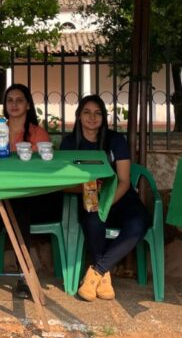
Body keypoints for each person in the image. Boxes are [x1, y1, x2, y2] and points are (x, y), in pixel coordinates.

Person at [61, 94, 149, 302]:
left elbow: (124, 181)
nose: (92, 118)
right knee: (93, 220)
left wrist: (106, 204)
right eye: (87, 112)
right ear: (79, 116)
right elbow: (63, 184)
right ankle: (104, 275)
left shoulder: (115, 141)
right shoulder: (69, 143)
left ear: (104, 117)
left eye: (98, 113)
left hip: (120, 197)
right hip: (89, 197)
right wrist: (88, 192)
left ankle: (96, 272)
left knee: (139, 223)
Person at [0, 84, 54, 299]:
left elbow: (43, 175)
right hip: (1, 197)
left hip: (37, 197)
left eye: (19, 100)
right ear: (4, 106)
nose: (14, 104)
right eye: (10, 100)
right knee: (18, 209)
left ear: (27, 105)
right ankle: (25, 279)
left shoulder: (38, 133)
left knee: (20, 203)